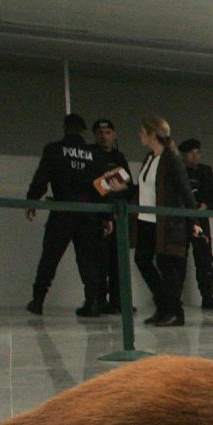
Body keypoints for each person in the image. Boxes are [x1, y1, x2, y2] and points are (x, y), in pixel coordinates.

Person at [22, 112, 104, 318]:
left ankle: (38, 301)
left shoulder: (54, 150)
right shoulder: (95, 154)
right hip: (88, 213)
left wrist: (32, 200)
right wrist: (106, 216)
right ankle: (93, 302)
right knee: (88, 260)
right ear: (84, 131)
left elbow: (41, 178)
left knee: (50, 257)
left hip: (62, 211)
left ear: (65, 128)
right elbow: (102, 187)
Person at [131, 115, 197, 327]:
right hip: (146, 220)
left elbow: (185, 190)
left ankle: (174, 311)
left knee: (167, 265)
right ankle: (163, 305)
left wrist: (194, 220)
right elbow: (144, 189)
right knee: (142, 260)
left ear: (152, 134)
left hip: (166, 222)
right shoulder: (150, 158)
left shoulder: (171, 159)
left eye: (142, 132)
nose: (140, 135)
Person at [88, 118, 130, 314]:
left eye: (107, 133)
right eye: (99, 133)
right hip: (97, 216)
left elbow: (127, 186)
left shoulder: (119, 157)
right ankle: (99, 300)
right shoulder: (90, 155)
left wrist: (105, 184)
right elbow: (93, 187)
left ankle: (118, 301)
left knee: (117, 261)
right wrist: (110, 183)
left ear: (114, 135)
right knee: (98, 261)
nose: (103, 136)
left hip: (118, 214)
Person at [179, 139, 213, 311]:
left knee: (204, 260)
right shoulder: (178, 170)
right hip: (180, 220)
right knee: (178, 260)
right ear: (183, 154)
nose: (195, 156)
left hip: (200, 220)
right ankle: (175, 297)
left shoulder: (206, 172)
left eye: (197, 152)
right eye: (191, 152)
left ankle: (207, 297)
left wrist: (206, 205)